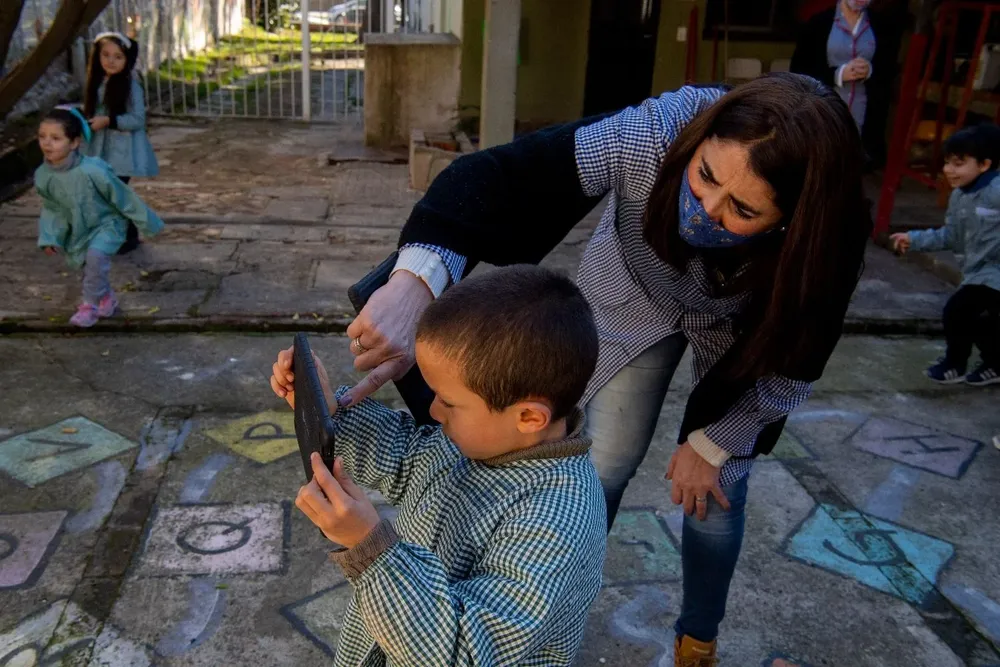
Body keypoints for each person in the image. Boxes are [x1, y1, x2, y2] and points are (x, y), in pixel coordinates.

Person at [340, 73, 872, 665]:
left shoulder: (829, 240)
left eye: (742, 210)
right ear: (695, 141)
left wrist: (718, 441)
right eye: (703, 177)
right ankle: (549, 603)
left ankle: (698, 637)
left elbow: (797, 360)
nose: (705, 212)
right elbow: (504, 179)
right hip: (630, 293)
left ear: (793, 222)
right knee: (603, 466)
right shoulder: (654, 132)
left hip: (740, 331)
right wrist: (417, 279)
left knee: (719, 493)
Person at [270, 265, 607, 667]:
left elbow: (465, 654)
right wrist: (329, 416)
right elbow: (406, 457)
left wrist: (370, 548)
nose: (432, 410)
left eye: (448, 401)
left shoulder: (557, 521)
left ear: (529, 418)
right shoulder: (477, 440)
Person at [891, 124, 1000, 386]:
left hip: (994, 273)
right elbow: (950, 235)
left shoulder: (997, 191)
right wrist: (914, 240)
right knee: (982, 322)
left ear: (984, 165)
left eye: (958, 164)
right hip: (978, 271)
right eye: (947, 163)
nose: (949, 170)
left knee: (958, 311)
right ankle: (995, 364)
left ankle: (955, 363)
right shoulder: (960, 197)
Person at [36, 107, 163, 328]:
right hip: (78, 228)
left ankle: (89, 306)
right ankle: (106, 298)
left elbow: (124, 196)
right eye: (42, 137)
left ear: (74, 143)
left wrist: (148, 223)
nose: (47, 143)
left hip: (108, 224)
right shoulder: (43, 175)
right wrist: (50, 236)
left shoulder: (93, 171)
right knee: (88, 267)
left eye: (56, 138)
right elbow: (52, 208)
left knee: (95, 257)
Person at [790, 0, 899, 167]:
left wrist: (869, 70)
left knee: (855, 165)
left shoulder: (880, 24)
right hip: (825, 108)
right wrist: (837, 74)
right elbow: (799, 69)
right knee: (820, 162)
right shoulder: (819, 22)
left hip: (862, 113)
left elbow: (889, 68)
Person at [82, 30, 159, 254]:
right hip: (100, 148)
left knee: (114, 193)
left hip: (122, 151)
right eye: (106, 55)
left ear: (127, 60)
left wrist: (109, 120)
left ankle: (126, 238)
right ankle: (122, 235)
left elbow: (137, 119)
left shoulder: (130, 85)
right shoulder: (98, 82)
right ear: (97, 57)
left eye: (118, 57)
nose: (111, 61)